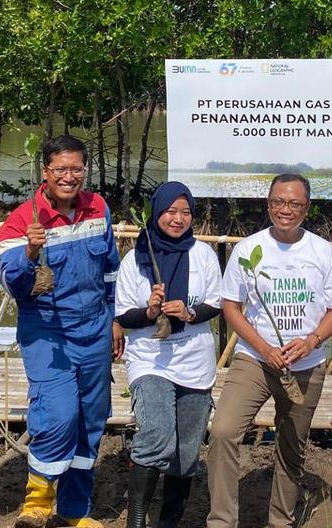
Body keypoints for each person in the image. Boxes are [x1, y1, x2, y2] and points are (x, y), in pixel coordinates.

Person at [206, 173, 332, 528]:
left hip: (306, 364)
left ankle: (280, 520)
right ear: (268, 204)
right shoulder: (248, 249)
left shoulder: (321, 251)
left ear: (307, 208)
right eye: (279, 202)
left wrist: (312, 340)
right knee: (223, 431)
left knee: (291, 445)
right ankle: (221, 521)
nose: (286, 210)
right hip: (255, 360)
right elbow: (231, 307)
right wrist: (263, 347)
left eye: (295, 204)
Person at [0, 135, 124, 528]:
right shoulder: (21, 220)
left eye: (76, 169)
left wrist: (115, 319)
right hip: (48, 333)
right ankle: (37, 503)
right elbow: (11, 286)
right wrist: (29, 253)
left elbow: (110, 271)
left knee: (91, 418)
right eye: (61, 169)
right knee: (58, 414)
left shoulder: (98, 208)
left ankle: (72, 512)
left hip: (96, 328)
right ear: (45, 172)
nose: (69, 177)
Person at [115, 182, 222, 528]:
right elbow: (123, 315)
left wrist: (189, 313)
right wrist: (148, 313)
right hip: (151, 358)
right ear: (156, 212)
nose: (178, 219)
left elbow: (215, 303)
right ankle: (135, 520)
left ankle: (169, 522)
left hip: (195, 360)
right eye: (170, 212)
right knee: (158, 434)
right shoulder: (136, 258)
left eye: (186, 212)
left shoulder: (203, 255)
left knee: (187, 450)